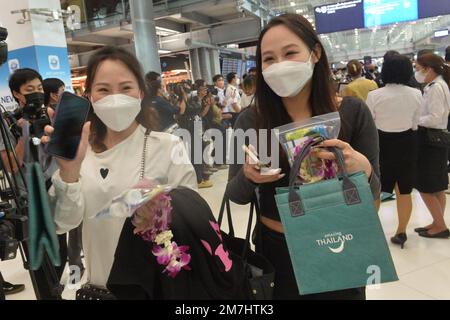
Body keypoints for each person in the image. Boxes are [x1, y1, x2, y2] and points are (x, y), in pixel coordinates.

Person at [226, 13, 380, 300]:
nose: (279, 65)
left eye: (290, 53)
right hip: (278, 252)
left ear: (315, 52)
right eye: (269, 59)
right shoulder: (251, 121)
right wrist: (249, 177)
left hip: (341, 241)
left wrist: (364, 169)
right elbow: (235, 195)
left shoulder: (352, 113)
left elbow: (374, 195)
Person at [42, 46, 197, 288]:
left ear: (140, 92)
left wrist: (158, 213)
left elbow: (193, 218)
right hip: (101, 285)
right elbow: (62, 224)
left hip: (156, 286)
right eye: (103, 89)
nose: (115, 98)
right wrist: (69, 172)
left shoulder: (168, 146)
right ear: (89, 95)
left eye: (125, 88)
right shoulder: (82, 153)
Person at [366, 54, 422, 248]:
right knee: (404, 190)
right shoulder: (416, 93)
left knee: (377, 190)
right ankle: (401, 231)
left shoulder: (375, 95)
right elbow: (416, 123)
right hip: (408, 143)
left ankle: (371, 231)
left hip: (381, 145)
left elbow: (369, 124)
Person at [414, 53, 450, 239]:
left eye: (418, 68)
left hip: (431, 140)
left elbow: (435, 118)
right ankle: (437, 222)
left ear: (428, 69)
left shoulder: (436, 87)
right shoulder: (436, 85)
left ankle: (441, 226)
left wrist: (415, 120)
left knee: (425, 185)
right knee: (437, 186)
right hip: (436, 141)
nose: (417, 72)